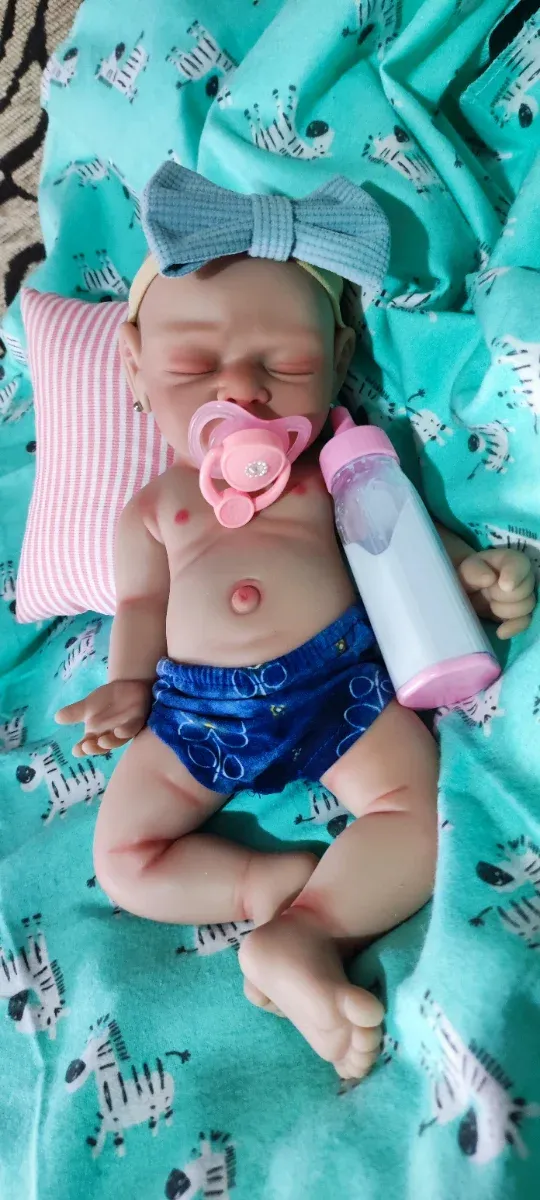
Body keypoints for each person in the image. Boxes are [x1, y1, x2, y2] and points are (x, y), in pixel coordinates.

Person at [57, 165, 535, 1080]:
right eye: (195, 366)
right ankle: (265, 889)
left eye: (284, 366)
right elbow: (142, 604)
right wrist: (126, 683)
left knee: (418, 814)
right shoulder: (157, 507)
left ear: (341, 351)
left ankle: (306, 933)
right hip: (193, 711)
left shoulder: (337, 471)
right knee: (122, 857)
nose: (241, 388)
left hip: (339, 686)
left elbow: (402, 547)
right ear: (133, 365)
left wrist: (471, 577)